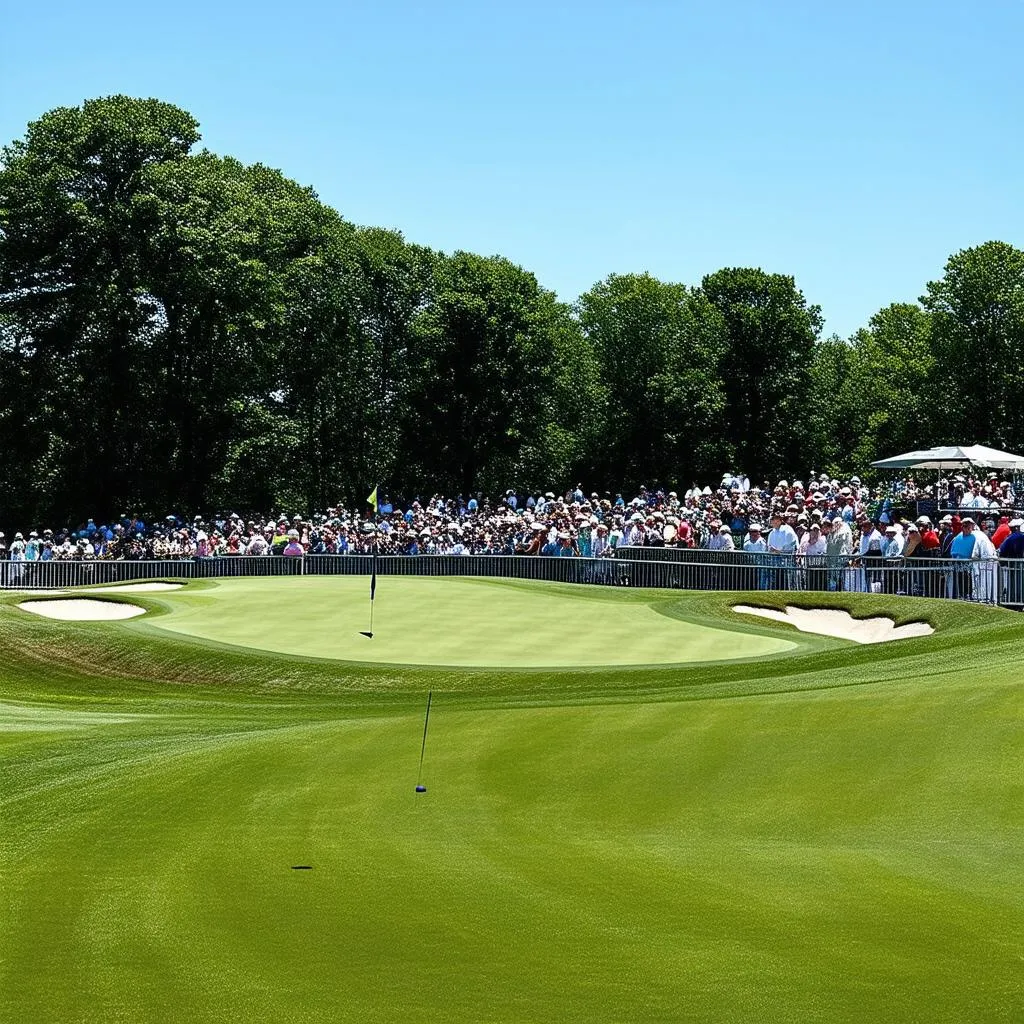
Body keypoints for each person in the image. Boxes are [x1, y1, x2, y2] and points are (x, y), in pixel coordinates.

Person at [950, 517, 978, 599]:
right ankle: (960, 596)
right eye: (965, 526)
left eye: (969, 527)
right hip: (958, 564)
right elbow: (953, 551)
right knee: (959, 580)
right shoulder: (958, 537)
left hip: (967, 564)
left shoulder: (974, 537)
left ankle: (968, 595)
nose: (967, 529)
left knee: (967, 580)